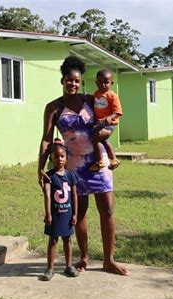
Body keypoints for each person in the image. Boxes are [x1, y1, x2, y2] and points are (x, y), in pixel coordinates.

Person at [38, 55, 129, 276]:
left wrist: (109, 129)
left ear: (81, 82)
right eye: (69, 80)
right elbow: (47, 139)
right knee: (80, 212)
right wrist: (40, 168)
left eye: (77, 81)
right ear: (62, 81)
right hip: (74, 168)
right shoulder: (53, 108)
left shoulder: (91, 99)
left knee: (107, 210)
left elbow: (112, 113)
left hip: (99, 164)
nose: (73, 84)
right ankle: (84, 258)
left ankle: (109, 260)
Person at [40, 138, 79, 281]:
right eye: (56, 156)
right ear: (51, 158)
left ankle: (69, 266)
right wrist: (48, 214)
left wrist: (75, 213)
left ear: (66, 157)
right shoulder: (49, 176)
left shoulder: (71, 176)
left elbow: (74, 196)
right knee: (53, 240)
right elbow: (48, 196)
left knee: (68, 239)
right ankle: (50, 268)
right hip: (55, 215)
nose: (60, 159)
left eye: (62, 156)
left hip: (67, 214)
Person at [89, 69, 123, 172]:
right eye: (100, 82)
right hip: (100, 123)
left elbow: (118, 112)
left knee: (95, 137)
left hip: (109, 124)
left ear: (111, 83)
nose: (103, 85)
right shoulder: (96, 94)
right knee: (103, 140)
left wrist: (110, 117)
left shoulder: (112, 96)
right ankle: (113, 160)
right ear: (96, 82)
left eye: (106, 82)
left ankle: (100, 161)